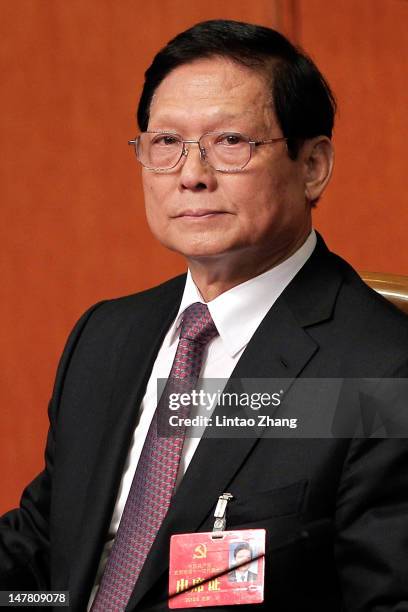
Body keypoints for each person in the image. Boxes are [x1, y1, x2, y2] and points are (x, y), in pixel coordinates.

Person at [1, 18, 408, 612]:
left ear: (313, 165)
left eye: (231, 142)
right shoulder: (106, 336)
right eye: (166, 143)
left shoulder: (383, 374)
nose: (192, 176)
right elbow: (46, 560)